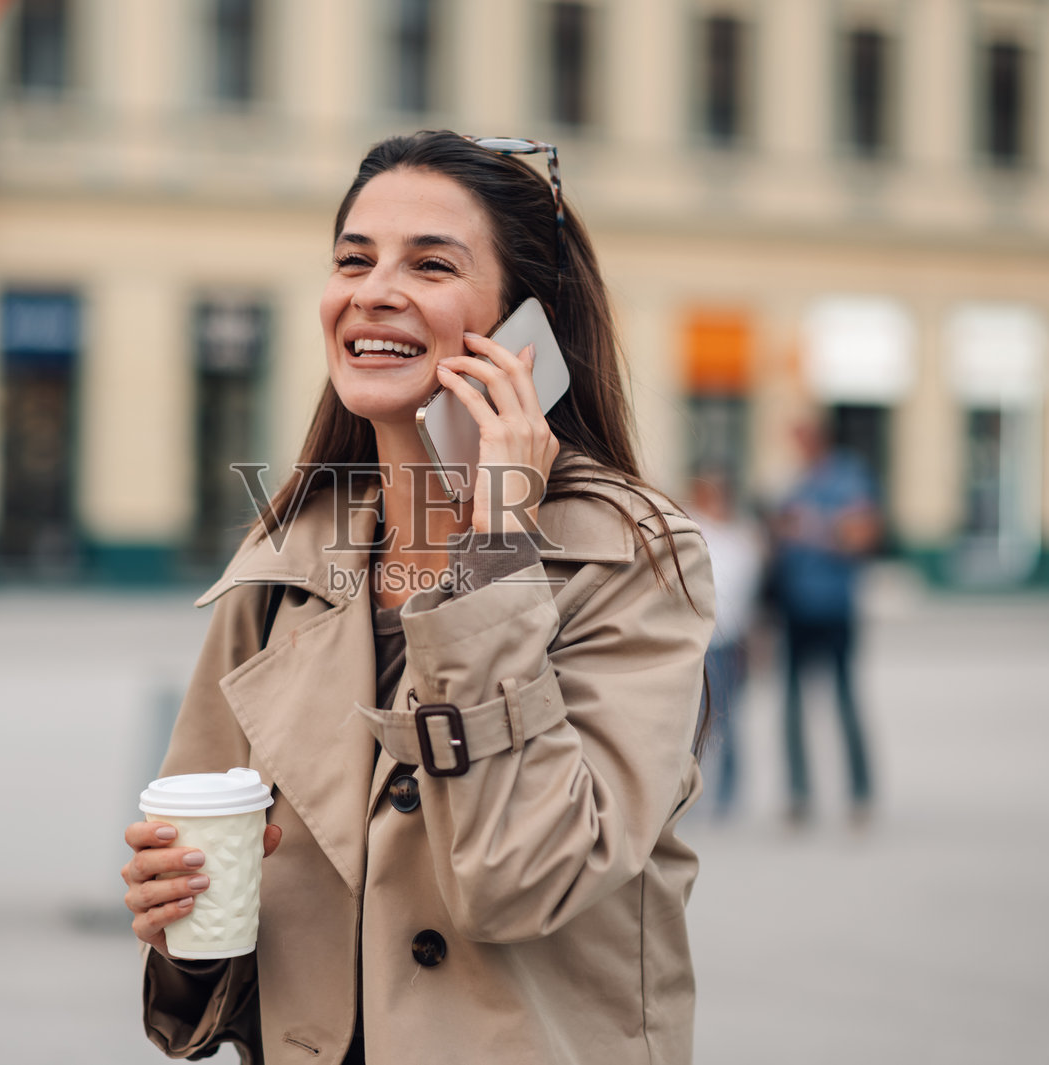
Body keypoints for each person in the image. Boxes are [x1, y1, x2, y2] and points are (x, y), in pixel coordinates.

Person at [121, 131, 716, 1064]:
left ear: (528, 326)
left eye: (430, 264)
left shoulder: (631, 556)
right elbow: (218, 917)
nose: (372, 290)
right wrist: (183, 929)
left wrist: (496, 546)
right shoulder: (284, 557)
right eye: (352, 259)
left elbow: (522, 876)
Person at [771, 417, 880, 827]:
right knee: (792, 707)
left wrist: (809, 527)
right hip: (794, 608)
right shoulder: (795, 480)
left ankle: (860, 795)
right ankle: (799, 795)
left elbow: (862, 536)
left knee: (845, 702)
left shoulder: (848, 476)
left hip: (834, 607)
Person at [690, 470, 765, 818]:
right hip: (694, 641)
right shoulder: (691, 528)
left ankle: (726, 796)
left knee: (727, 720)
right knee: (688, 720)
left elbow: (748, 596)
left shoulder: (741, 538)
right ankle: (684, 794)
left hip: (728, 641)